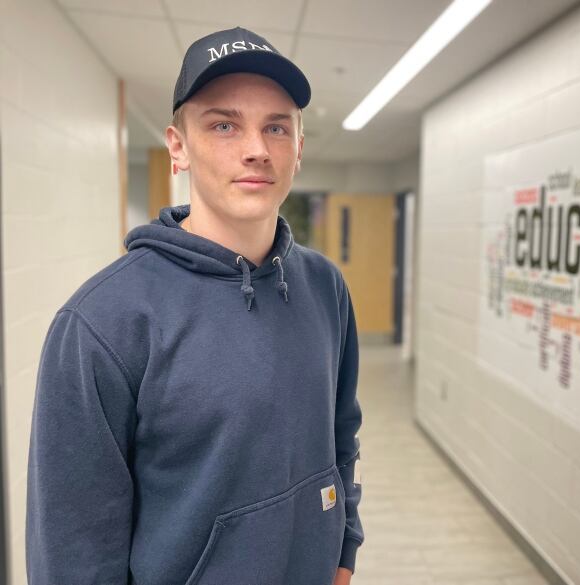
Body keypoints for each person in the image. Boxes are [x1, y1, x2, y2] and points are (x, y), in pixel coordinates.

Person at [26, 26, 364, 585]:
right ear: (177, 146)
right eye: (224, 124)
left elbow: (341, 433)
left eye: (276, 126)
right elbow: (73, 549)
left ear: (298, 148)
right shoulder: (102, 324)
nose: (256, 148)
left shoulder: (325, 287)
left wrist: (344, 548)